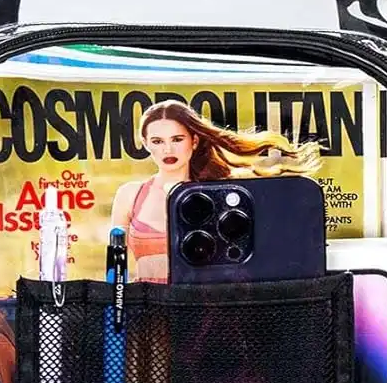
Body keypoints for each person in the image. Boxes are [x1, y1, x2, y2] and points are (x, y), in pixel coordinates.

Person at [111, 100, 319, 283]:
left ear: (194, 141)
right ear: (146, 143)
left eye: (177, 139)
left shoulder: (219, 193)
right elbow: (114, 264)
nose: (168, 150)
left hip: (201, 305)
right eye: (157, 141)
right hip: (146, 307)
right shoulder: (130, 195)